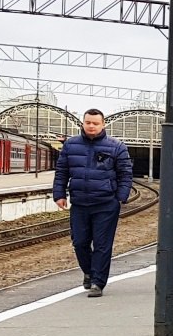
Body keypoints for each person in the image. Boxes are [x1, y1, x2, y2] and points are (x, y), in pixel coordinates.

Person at [52, 107, 134, 298]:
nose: (91, 126)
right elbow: (62, 172)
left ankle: (98, 282)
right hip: (80, 203)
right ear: (83, 123)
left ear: (103, 124)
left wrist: (120, 197)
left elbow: (125, 174)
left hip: (106, 204)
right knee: (79, 242)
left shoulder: (116, 147)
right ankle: (88, 271)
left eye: (95, 123)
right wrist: (59, 194)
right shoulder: (70, 146)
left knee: (102, 245)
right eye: (88, 122)